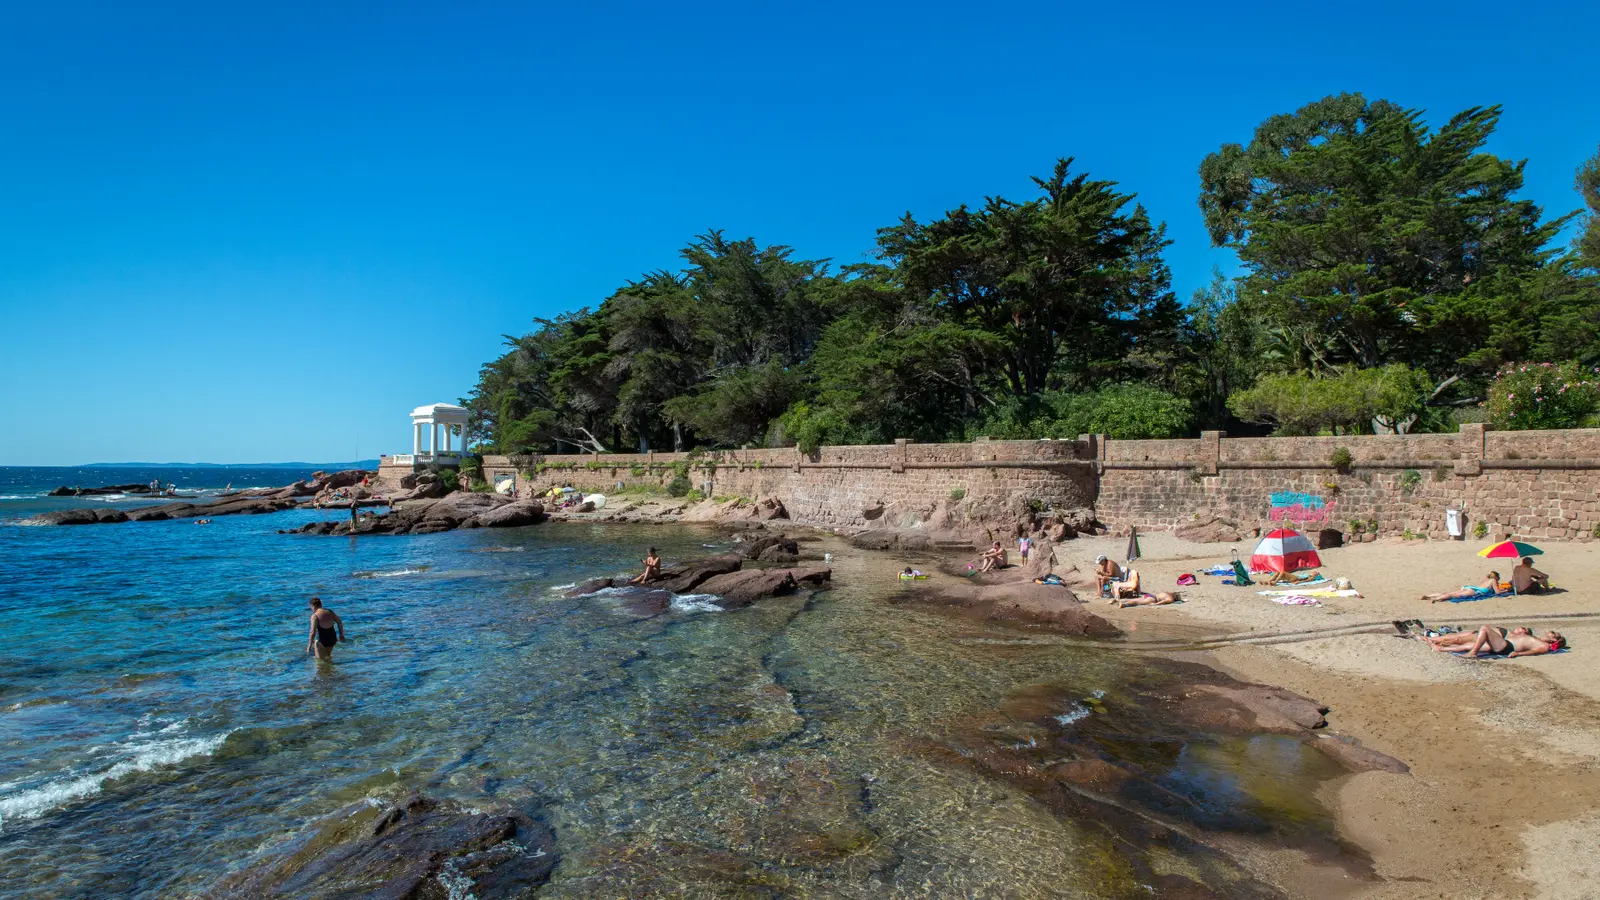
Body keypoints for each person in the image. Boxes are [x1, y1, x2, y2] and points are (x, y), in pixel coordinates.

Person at [1425, 625, 1566, 658]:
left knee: (1485, 629)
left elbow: (1535, 651)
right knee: (1474, 643)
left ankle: (1472, 653)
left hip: (1508, 647)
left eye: (1553, 633)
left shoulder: (1545, 645)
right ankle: (1440, 648)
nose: (1550, 632)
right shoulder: (1539, 639)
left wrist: (1518, 654)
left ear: (1554, 639)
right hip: (1506, 644)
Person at [1420, 571, 1500, 604]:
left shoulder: (1486, 579)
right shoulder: (1493, 581)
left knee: (1448, 593)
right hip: (1473, 591)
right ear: (1496, 577)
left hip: (1469, 587)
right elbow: (1497, 592)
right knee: (1451, 596)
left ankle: (1429, 596)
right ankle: (1435, 599)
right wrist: (1507, 590)